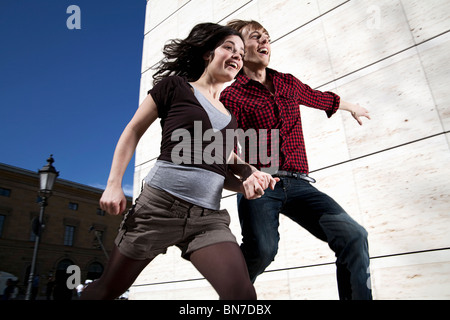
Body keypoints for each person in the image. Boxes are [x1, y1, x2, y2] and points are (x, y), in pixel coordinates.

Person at [80, 22, 277, 300]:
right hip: (159, 208)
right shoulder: (175, 87)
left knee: (242, 295)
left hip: (207, 218)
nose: (237, 56)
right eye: (229, 48)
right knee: (108, 290)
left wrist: (248, 178)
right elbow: (133, 130)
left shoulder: (230, 115)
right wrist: (114, 184)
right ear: (209, 53)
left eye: (242, 53)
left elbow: (222, 161)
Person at [220, 19, 372, 300]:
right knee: (262, 251)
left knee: (354, 235)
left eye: (267, 37)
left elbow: (318, 98)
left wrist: (352, 107)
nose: (265, 41)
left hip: (300, 184)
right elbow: (224, 145)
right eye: (256, 37)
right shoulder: (233, 95)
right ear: (241, 50)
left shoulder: (286, 82)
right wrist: (246, 174)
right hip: (262, 184)